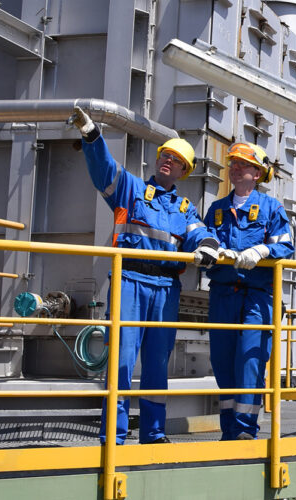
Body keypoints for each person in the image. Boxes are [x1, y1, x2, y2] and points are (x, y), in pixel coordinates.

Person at [69, 106, 220, 444]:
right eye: (165, 155)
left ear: (183, 171)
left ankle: (153, 433)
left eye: (176, 160)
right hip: (130, 283)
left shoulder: (184, 209)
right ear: (157, 160)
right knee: (121, 363)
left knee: (156, 365)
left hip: (166, 289)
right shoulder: (131, 190)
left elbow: (199, 232)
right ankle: (115, 435)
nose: (168, 161)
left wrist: (209, 245)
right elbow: (104, 170)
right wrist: (92, 134)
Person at [203, 142, 294, 440]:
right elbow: (207, 242)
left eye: (243, 164)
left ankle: (244, 431)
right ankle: (228, 429)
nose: (235, 168)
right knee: (222, 360)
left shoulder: (270, 208)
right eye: (233, 163)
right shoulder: (217, 210)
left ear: (257, 173)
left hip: (257, 296)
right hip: (223, 294)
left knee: (250, 360)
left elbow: (286, 245)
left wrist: (262, 249)